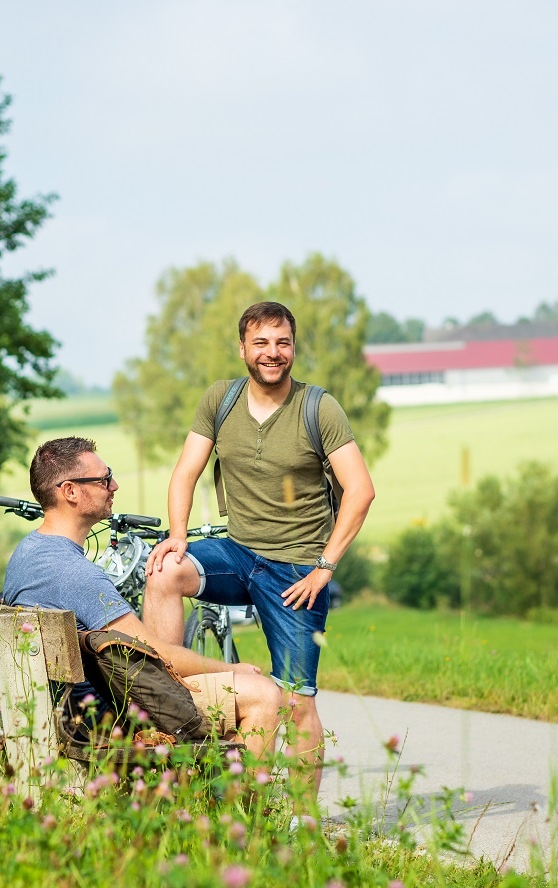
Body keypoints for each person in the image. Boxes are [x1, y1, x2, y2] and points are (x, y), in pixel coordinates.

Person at [144, 300, 376, 795]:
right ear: (243, 348)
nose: (273, 353)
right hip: (238, 552)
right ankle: (167, 697)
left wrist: (324, 567)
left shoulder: (319, 408)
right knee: (165, 573)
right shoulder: (220, 400)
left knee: (297, 702)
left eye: (283, 343)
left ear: (293, 347)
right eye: (262, 343)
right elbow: (186, 471)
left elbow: (361, 490)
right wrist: (179, 535)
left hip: (296, 569)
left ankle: (299, 818)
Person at [1, 436, 285, 759]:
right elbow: (157, 656)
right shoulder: (75, 574)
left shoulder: (26, 553)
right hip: (104, 718)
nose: (115, 485)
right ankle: (243, 808)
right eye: (104, 479)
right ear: (70, 492)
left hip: (56, 710)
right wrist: (231, 670)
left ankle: (208, 800)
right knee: (263, 695)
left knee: (230, 715)